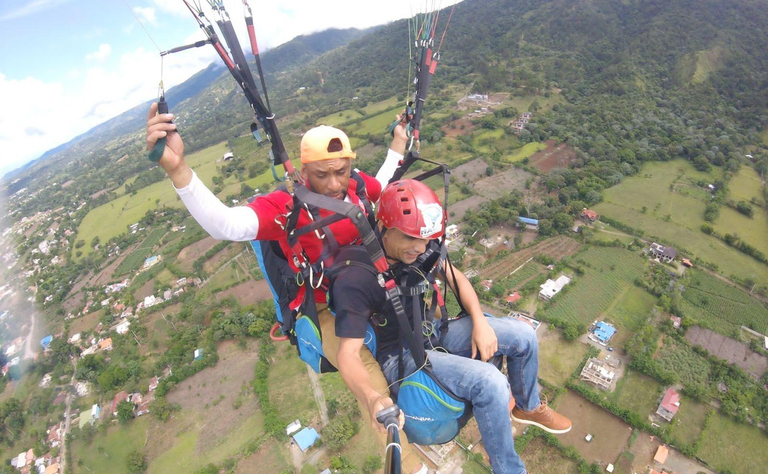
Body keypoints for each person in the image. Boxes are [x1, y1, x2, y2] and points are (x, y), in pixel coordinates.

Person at [145, 103, 426, 473]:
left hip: (368, 288)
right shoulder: (287, 207)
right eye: (321, 175)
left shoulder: (356, 186)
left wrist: (397, 143)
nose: (333, 184)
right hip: (327, 307)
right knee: (362, 369)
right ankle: (406, 462)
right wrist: (179, 169)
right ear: (303, 170)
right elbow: (226, 225)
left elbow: (384, 185)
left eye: (340, 171)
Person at [331, 179, 572, 474]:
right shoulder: (356, 278)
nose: (420, 248)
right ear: (383, 225)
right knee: (491, 383)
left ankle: (528, 406)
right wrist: (370, 398)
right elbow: (348, 353)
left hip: (429, 332)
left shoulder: (421, 247)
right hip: (401, 356)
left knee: (523, 334)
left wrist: (481, 321)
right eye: (410, 238)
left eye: (425, 239)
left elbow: (457, 279)